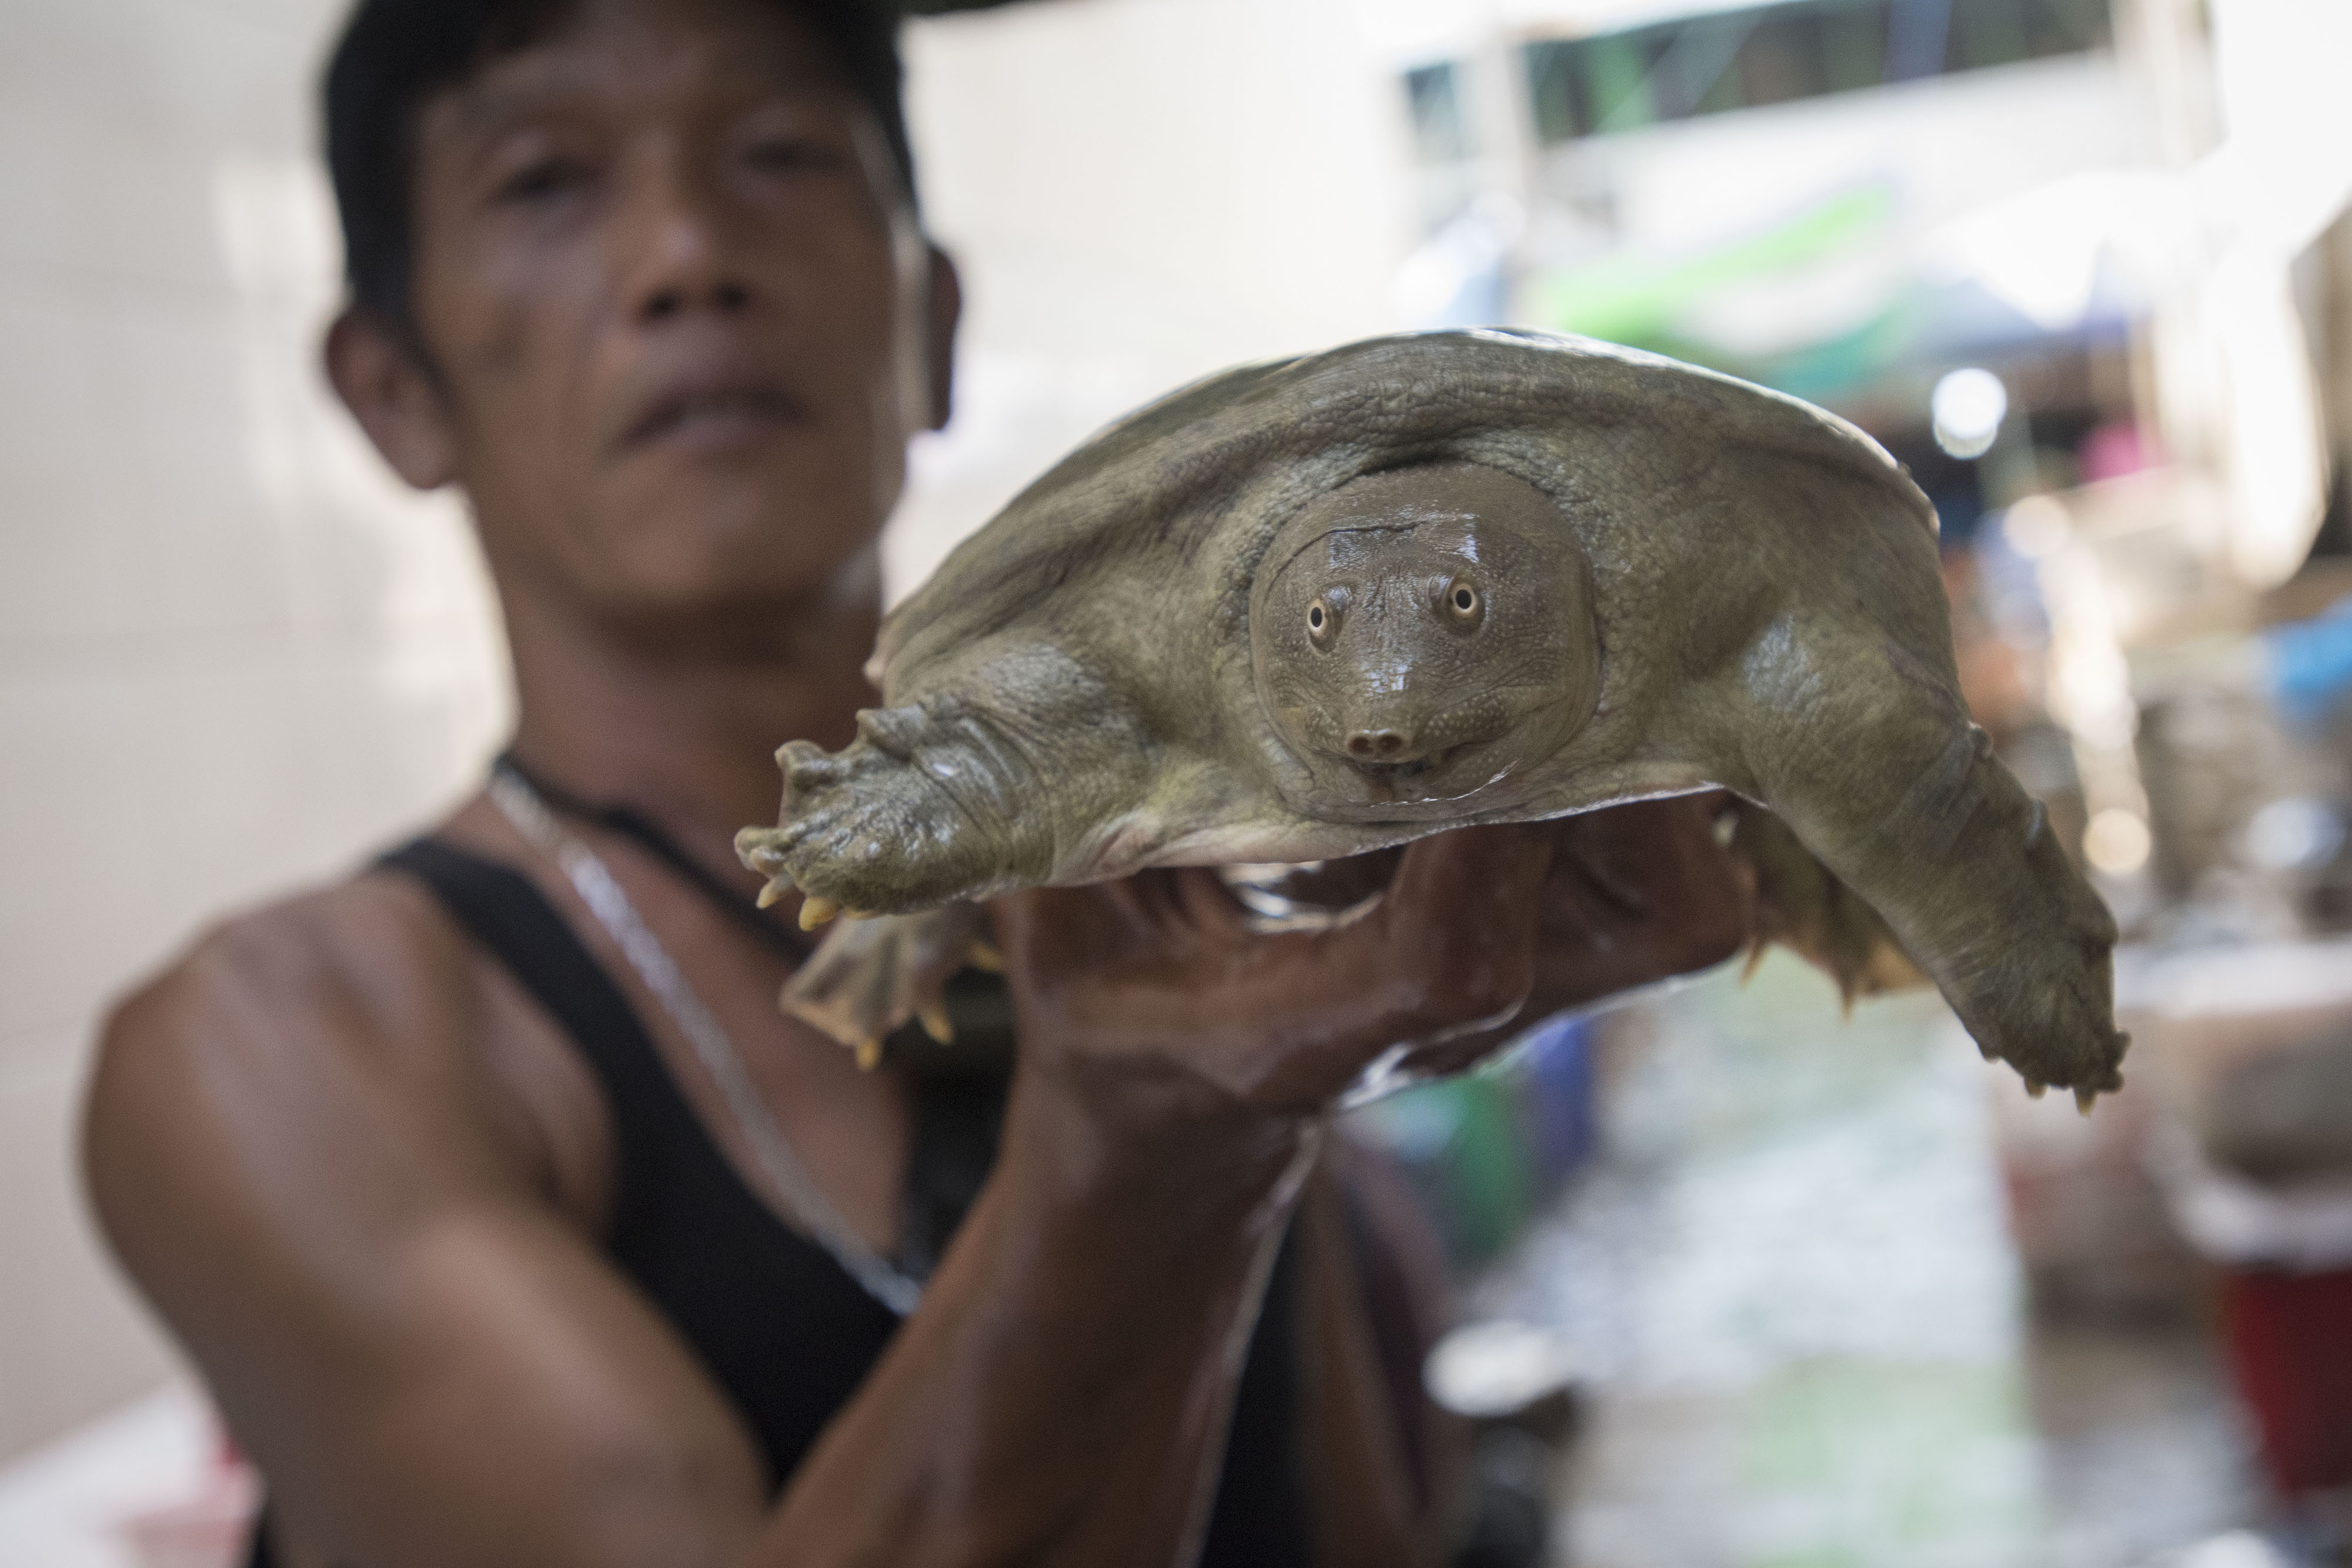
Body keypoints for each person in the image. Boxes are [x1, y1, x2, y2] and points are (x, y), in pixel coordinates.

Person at [82, 1, 1755, 1563]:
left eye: (781, 156)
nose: (687, 257)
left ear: (933, 318)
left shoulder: (1159, 901)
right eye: (545, 181)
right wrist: (1147, 1133)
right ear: (393, 388)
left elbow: (1353, 1530)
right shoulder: (291, 1049)